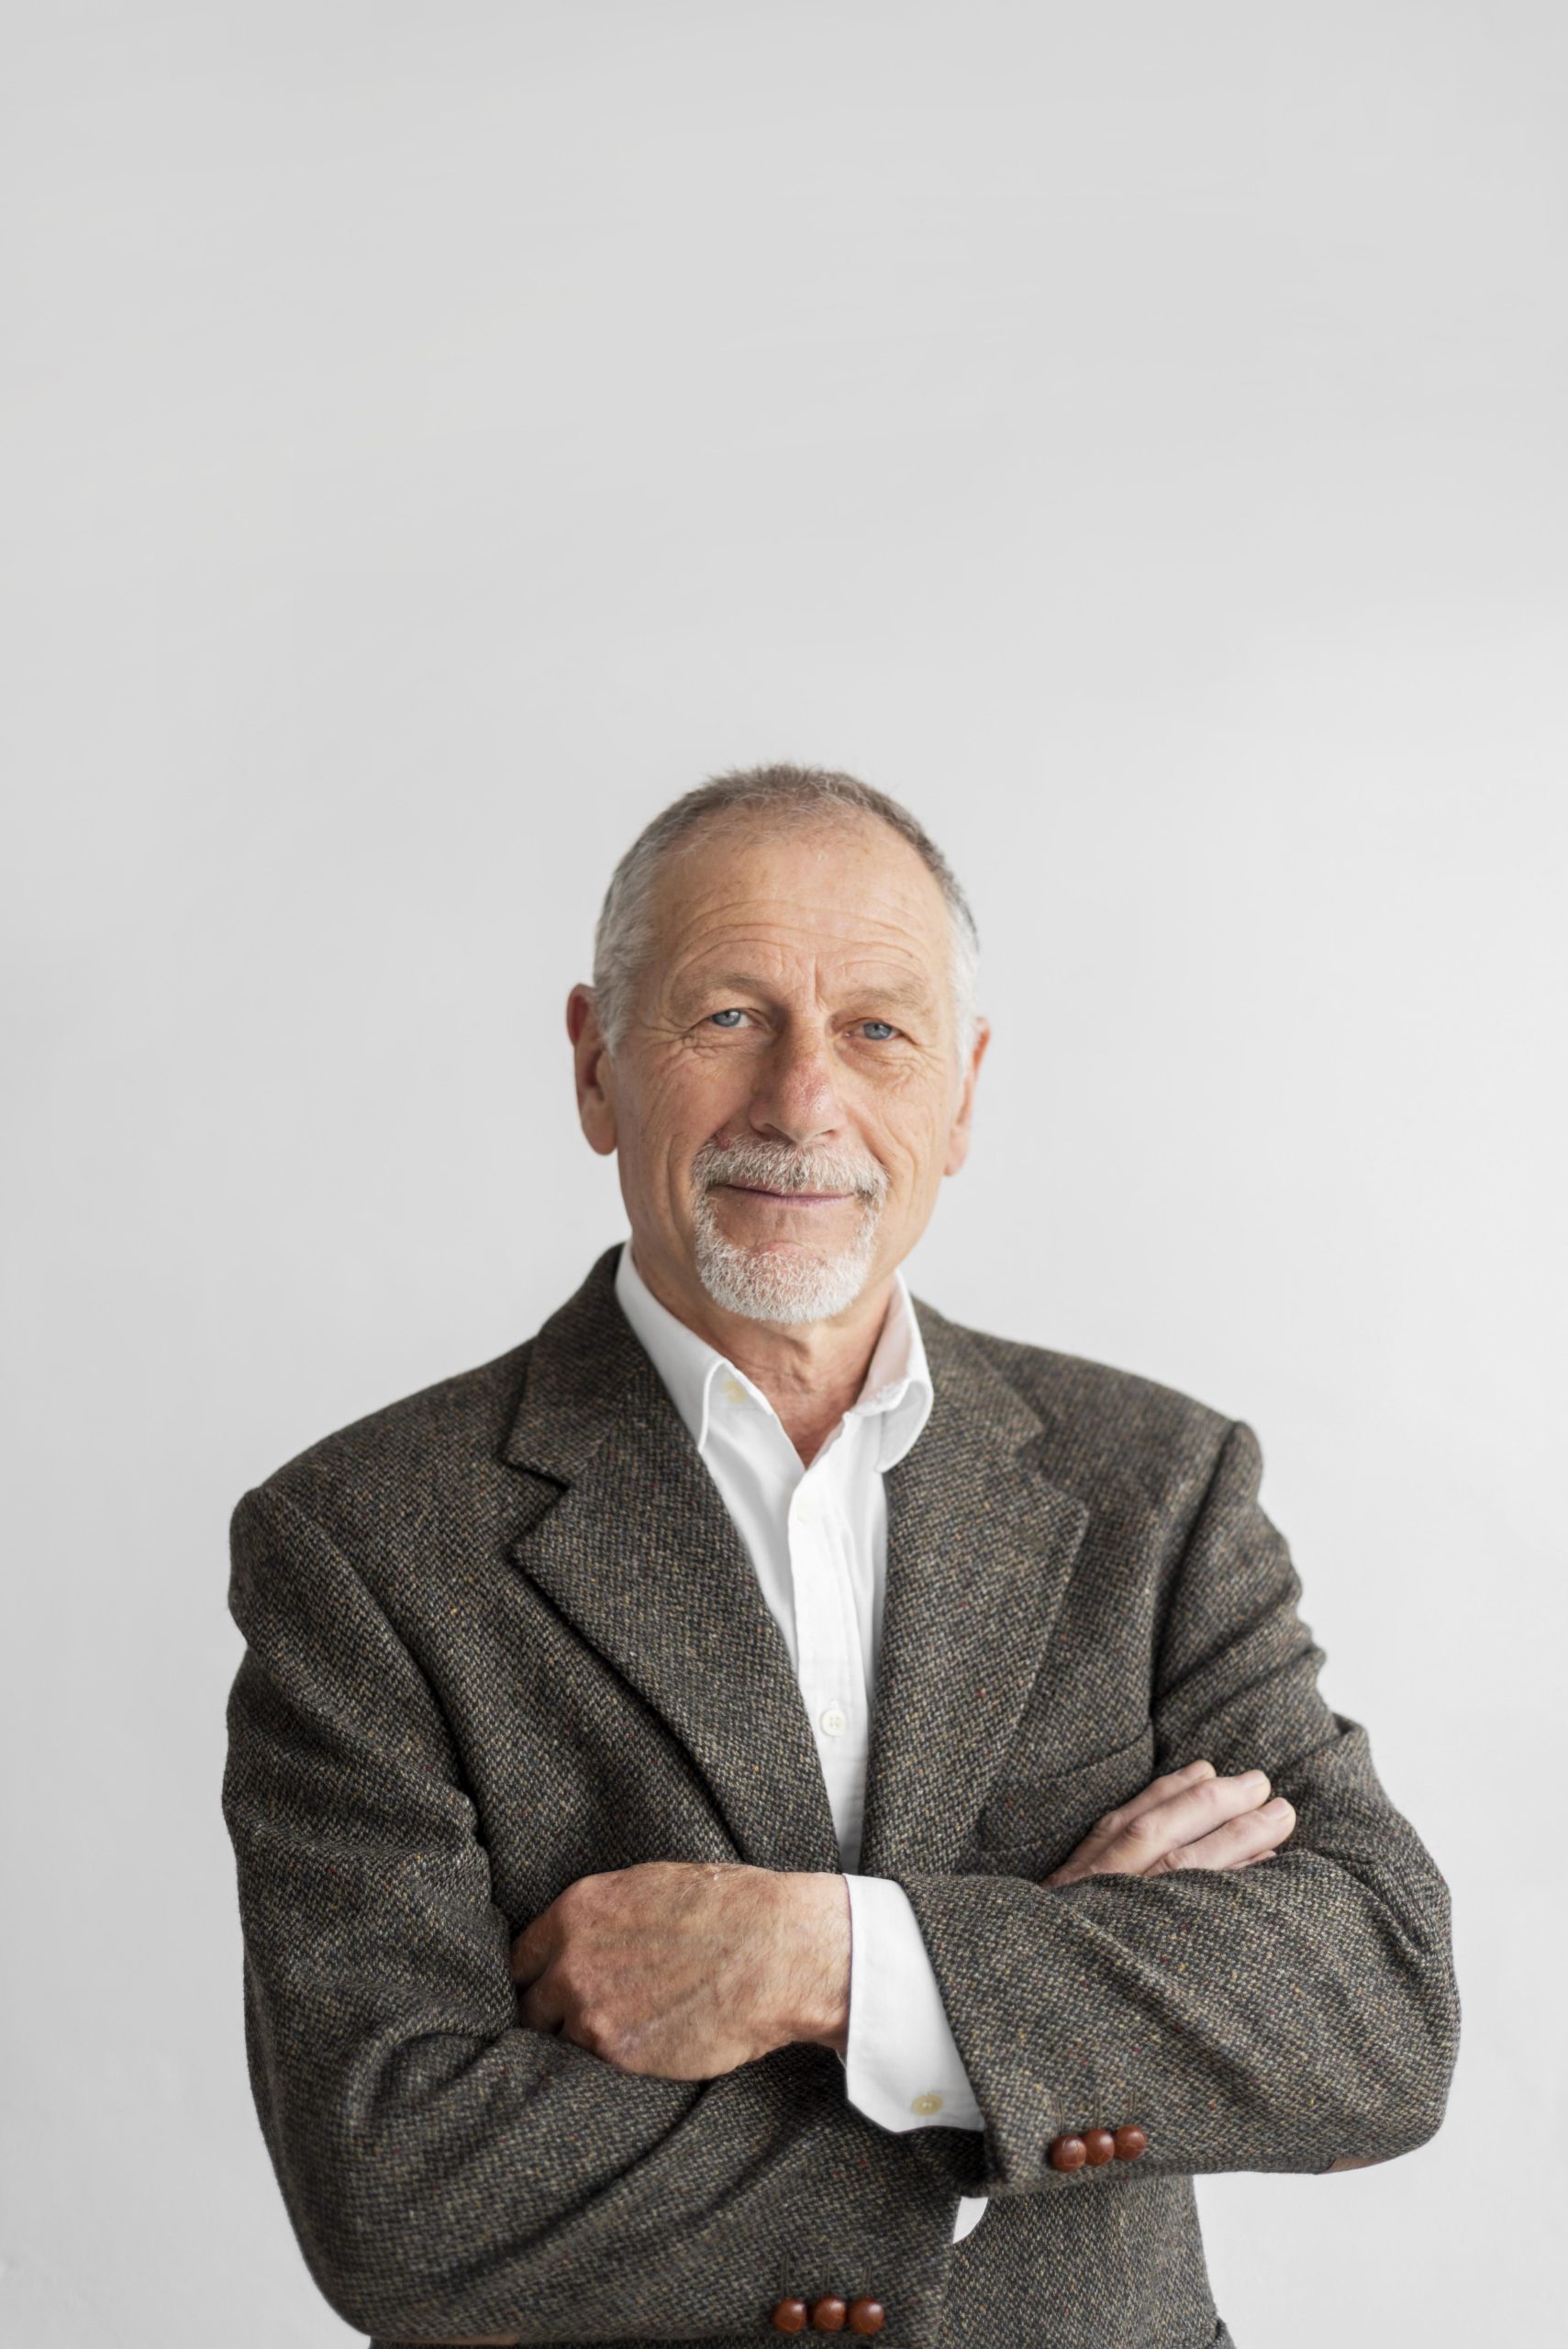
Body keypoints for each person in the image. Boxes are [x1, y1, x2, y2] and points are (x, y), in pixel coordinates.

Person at [222, 764, 1459, 2349]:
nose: (801, 1102)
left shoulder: (1156, 1484)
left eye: (878, 1028)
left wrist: (831, 1963)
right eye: (728, 1016)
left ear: (962, 1093)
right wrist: (1019, 2023)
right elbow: (396, 2197)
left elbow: (1373, 2014)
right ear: (597, 1066)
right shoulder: (368, 1541)